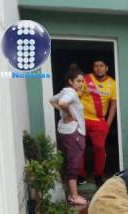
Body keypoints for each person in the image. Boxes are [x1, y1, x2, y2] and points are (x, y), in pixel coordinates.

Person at [50, 64, 87, 206]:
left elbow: (52, 100)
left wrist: (64, 112)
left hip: (65, 131)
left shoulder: (65, 91)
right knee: (74, 163)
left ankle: (72, 194)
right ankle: (74, 196)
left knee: (69, 162)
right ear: (70, 81)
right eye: (78, 81)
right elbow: (61, 102)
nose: (81, 84)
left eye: (82, 81)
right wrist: (69, 113)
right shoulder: (70, 93)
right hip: (73, 132)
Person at [79, 57, 117, 187]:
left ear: (106, 68)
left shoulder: (112, 83)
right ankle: (80, 175)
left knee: (100, 148)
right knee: (80, 147)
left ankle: (98, 176)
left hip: (99, 121)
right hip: (82, 119)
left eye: (101, 65)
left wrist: (108, 123)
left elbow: (113, 104)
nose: (98, 68)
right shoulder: (85, 79)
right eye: (96, 65)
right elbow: (75, 97)